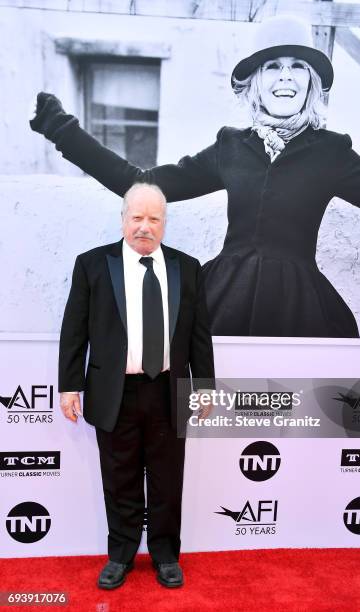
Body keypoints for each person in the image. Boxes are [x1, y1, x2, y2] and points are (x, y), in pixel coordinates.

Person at [30, 14, 360, 338]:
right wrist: (64, 131)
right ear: (256, 81)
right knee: (205, 416)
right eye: (273, 66)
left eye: (296, 68)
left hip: (298, 308)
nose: (285, 77)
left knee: (296, 421)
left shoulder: (332, 152)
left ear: (310, 83)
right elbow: (139, 184)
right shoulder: (231, 146)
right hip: (222, 299)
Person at [59, 182, 215, 589]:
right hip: (115, 392)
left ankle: (165, 556)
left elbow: (200, 334)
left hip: (168, 389)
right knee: (119, 478)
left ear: (164, 224)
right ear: (123, 219)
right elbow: (74, 331)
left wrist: (206, 385)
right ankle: (121, 554)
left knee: (167, 479)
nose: (145, 226)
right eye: (137, 217)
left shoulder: (188, 267)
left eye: (154, 219)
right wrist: (68, 385)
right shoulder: (92, 265)